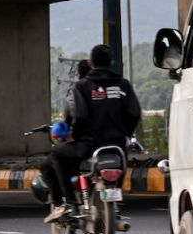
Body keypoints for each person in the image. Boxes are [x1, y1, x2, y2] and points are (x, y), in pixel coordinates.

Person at [42, 43, 142, 223]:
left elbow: (80, 117)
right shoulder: (123, 85)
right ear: (110, 62)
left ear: (91, 62)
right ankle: (115, 204)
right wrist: (126, 133)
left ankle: (68, 204)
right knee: (120, 165)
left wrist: (77, 136)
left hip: (89, 146)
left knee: (56, 154)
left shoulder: (83, 86)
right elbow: (134, 113)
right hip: (117, 146)